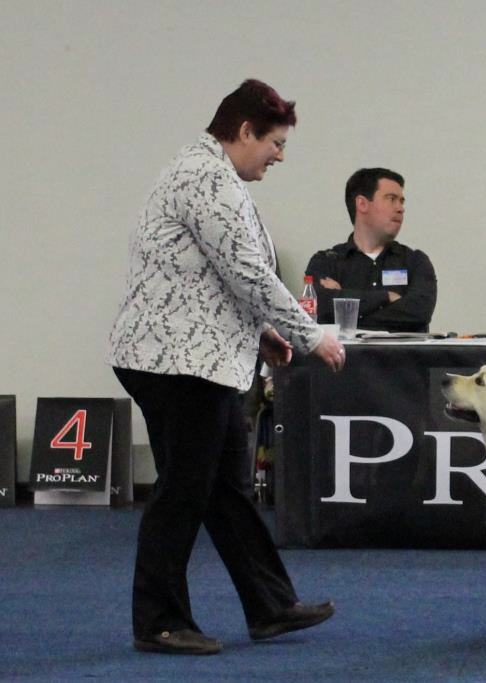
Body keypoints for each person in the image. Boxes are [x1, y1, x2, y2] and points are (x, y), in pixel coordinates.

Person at [109, 79, 345, 655]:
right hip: (176, 364)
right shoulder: (205, 178)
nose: (279, 156)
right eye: (275, 143)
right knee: (184, 490)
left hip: (192, 360)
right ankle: (159, 621)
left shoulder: (210, 174)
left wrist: (262, 334)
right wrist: (309, 335)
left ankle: (270, 605)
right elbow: (248, 273)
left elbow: (211, 277)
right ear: (243, 131)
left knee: (226, 490)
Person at [305, 168, 437, 332]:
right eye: (391, 199)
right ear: (362, 204)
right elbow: (318, 308)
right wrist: (386, 297)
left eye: (401, 201)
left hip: (400, 350)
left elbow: (419, 313)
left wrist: (344, 304)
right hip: (344, 350)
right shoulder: (326, 262)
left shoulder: (415, 261)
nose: (400, 208)